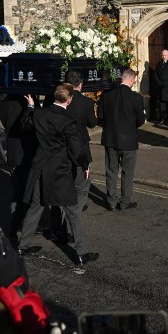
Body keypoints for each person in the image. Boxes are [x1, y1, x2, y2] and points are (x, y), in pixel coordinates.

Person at [18, 83, 98, 267]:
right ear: (69, 100)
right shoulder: (68, 120)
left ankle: (23, 246)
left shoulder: (39, 113)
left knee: (36, 206)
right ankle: (82, 254)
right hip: (60, 169)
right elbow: (76, 149)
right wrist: (85, 164)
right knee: (72, 211)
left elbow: (25, 124)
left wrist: (31, 106)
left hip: (40, 166)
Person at [97, 67, 146, 211]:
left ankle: (111, 202)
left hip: (111, 139)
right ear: (131, 80)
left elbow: (100, 116)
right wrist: (131, 127)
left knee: (111, 171)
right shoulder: (136, 98)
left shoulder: (106, 96)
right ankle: (124, 202)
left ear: (121, 79)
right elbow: (141, 120)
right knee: (127, 172)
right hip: (128, 140)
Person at [57, 70, 97, 241]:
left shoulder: (58, 100)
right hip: (80, 149)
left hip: (60, 149)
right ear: (80, 84)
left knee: (64, 188)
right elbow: (93, 124)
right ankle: (69, 224)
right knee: (82, 189)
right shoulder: (87, 102)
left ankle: (59, 225)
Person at [0, 93, 37, 236]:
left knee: (16, 190)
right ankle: (25, 224)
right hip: (26, 152)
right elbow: (28, 124)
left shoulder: (5, 103)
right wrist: (31, 107)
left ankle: (14, 224)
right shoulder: (27, 103)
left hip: (13, 152)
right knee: (27, 192)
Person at [153, 49, 168, 126]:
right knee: (162, 106)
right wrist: (159, 83)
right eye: (162, 55)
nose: (164, 57)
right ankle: (162, 119)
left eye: (165, 55)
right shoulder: (158, 64)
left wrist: (166, 83)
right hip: (161, 88)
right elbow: (155, 75)